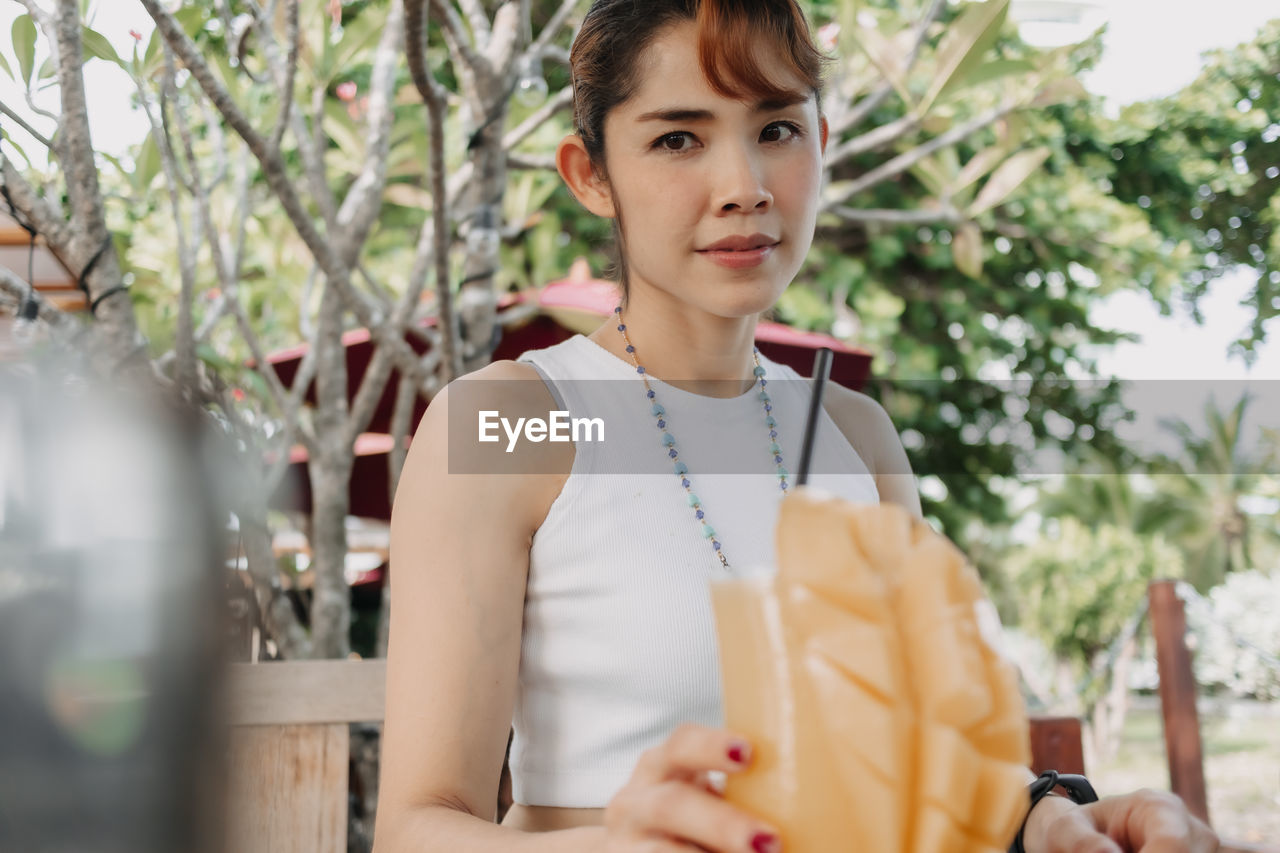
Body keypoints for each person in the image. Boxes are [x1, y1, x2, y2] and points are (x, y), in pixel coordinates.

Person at [374, 1, 1219, 851]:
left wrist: (1046, 815)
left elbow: (918, 762)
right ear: (591, 175)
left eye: (777, 128)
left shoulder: (855, 432)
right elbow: (417, 826)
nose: (744, 186)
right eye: (678, 138)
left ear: (819, 142)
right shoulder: (508, 421)